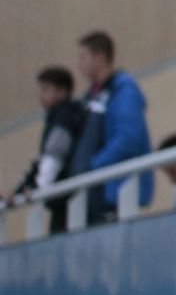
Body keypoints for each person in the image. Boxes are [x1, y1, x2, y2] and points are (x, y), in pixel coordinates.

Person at [70, 31, 153, 222]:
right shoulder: (92, 97)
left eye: (83, 57)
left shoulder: (124, 91)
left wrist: (93, 167)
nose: (79, 65)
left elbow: (128, 138)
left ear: (99, 57)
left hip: (114, 190)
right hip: (97, 189)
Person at [8, 66, 84, 232]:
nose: (41, 96)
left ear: (62, 91)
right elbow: (44, 160)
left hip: (65, 198)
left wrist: (37, 188)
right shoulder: (58, 116)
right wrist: (21, 190)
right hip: (62, 198)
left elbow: (54, 155)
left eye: (46, 89)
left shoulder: (64, 116)